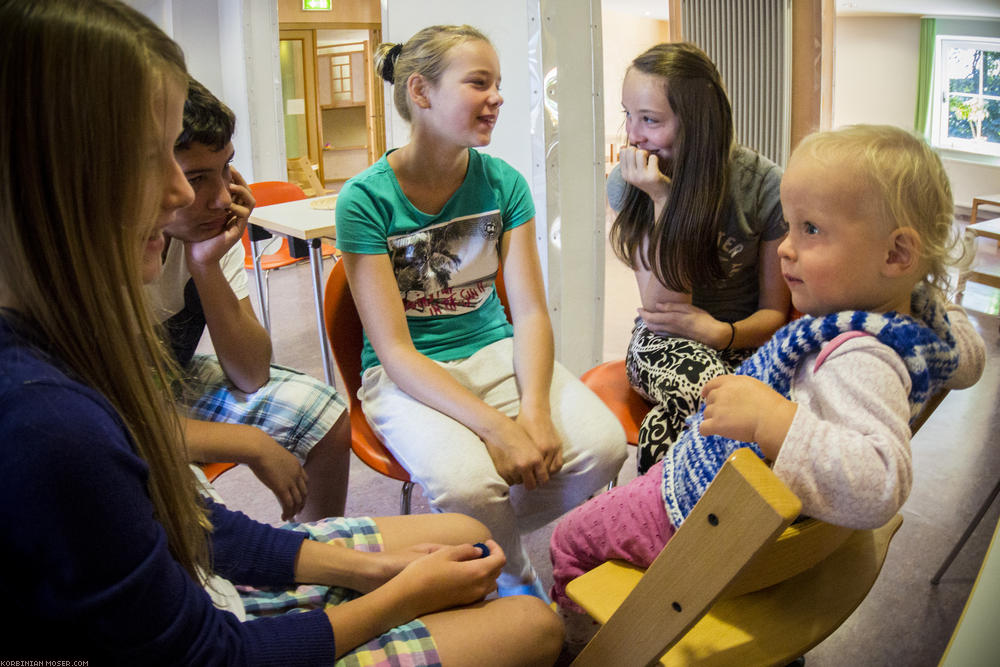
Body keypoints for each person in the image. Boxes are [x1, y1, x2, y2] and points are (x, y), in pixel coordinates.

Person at [0, 1, 564, 664]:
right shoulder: (52, 422)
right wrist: (394, 594)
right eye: (156, 159)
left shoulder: (66, 339)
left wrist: (374, 574)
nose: (187, 196)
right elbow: (213, 651)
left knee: (458, 524)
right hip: (220, 629)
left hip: (203, 579)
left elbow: (197, 506)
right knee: (532, 624)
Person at [550, 125, 986, 642]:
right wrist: (932, 301)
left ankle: (590, 642)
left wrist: (771, 419)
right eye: (790, 225)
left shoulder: (862, 357)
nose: (786, 249)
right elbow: (969, 357)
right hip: (759, 521)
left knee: (571, 534)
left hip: (709, 525)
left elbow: (880, 483)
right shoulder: (916, 325)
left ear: (895, 256)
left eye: (812, 230)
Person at [334, 25, 627, 601]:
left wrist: (535, 412)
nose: (496, 97)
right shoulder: (364, 200)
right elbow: (394, 351)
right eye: (478, 83)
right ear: (421, 92)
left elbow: (532, 314)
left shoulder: (504, 184)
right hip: (409, 372)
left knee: (603, 448)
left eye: (497, 84)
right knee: (471, 489)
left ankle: (470, 546)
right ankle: (515, 581)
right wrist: (497, 428)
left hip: (492, 347)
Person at [145, 77, 350, 521]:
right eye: (195, 177)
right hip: (117, 411)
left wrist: (205, 266)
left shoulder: (201, 235)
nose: (221, 199)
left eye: (225, 171)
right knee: (187, 505)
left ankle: (319, 551)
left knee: (323, 412)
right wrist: (249, 442)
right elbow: (112, 420)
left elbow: (251, 373)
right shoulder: (104, 255)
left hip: (164, 382)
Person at [607, 42, 791, 473]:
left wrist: (718, 332)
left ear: (697, 123)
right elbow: (660, 308)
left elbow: (773, 315)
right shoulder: (631, 183)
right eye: (627, 115)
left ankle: (656, 534)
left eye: (649, 120)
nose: (632, 135)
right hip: (660, 342)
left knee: (668, 428)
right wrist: (663, 202)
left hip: (739, 342)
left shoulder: (763, 187)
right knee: (729, 403)